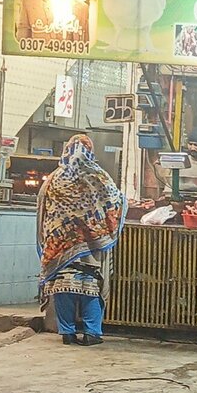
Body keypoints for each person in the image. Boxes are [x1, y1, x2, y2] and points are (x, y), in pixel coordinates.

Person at [37, 134, 125, 346]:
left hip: (58, 249)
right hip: (90, 250)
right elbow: (116, 201)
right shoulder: (98, 177)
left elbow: (41, 205)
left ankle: (67, 333)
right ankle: (92, 333)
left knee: (62, 286)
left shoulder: (54, 179)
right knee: (89, 287)